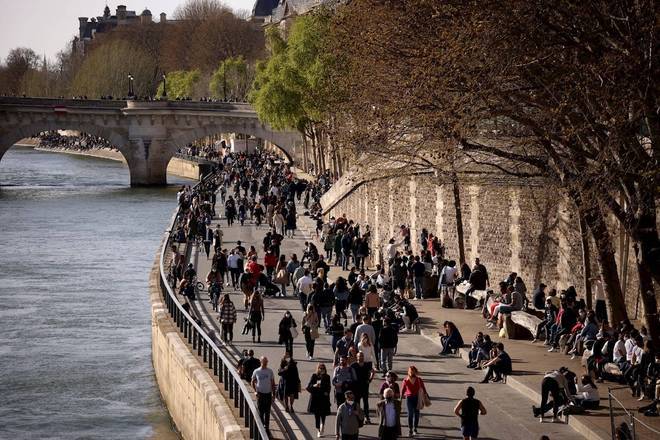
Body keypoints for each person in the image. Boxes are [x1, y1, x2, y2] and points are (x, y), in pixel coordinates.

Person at [401, 365, 428, 436]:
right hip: (409, 398)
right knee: (410, 414)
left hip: (417, 398)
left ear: (415, 372)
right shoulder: (405, 380)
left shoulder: (419, 379)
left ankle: (415, 429)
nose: (411, 372)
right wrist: (400, 399)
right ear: (408, 372)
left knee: (417, 414)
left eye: (413, 371)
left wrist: (426, 395)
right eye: (410, 371)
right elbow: (403, 390)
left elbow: (423, 388)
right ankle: (410, 429)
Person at [307, 363, 332, 437]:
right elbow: (309, 386)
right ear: (318, 369)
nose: (321, 370)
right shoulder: (314, 376)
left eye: (323, 368)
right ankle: (318, 429)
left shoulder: (327, 376)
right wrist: (314, 385)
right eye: (320, 368)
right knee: (317, 415)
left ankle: (322, 425)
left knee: (323, 414)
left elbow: (329, 387)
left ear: (325, 369)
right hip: (315, 398)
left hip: (324, 398)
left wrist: (327, 392)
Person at [251, 356, 276, 432]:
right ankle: (261, 428)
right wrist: (255, 391)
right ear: (261, 362)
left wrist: (274, 394)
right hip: (260, 394)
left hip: (268, 394)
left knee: (267, 412)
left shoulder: (270, 371)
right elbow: (252, 381)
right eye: (264, 362)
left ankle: (266, 427)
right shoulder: (256, 371)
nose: (265, 363)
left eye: (266, 362)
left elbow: (273, 383)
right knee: (261, 412)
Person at [351, 351, 375, 424]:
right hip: (356, 387)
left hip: (365, 386)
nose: (361, 357)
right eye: (359, 356)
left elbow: (373, 371)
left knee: (366, 403)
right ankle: (357, 417)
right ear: (357, 357)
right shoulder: (353, 365)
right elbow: (349, 373)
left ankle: (367, 417)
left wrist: (370, 379)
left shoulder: (367, 365)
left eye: (362, 356)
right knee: (357, 403)